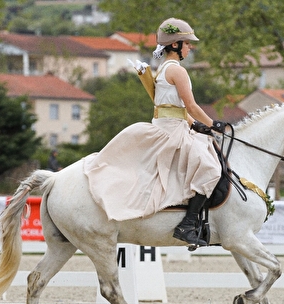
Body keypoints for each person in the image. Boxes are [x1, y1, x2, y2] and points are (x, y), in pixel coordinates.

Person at [83, 17, 227, 248]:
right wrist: (214, 124)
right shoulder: (178, 72)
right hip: (172, 132)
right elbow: (191, 106)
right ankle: (188, 224)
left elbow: (174, 109)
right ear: (175, 45)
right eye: (187, 43)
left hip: (167, 126)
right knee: (211, 168)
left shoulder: (162, 70)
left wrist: (196, 125)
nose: (191, 47)